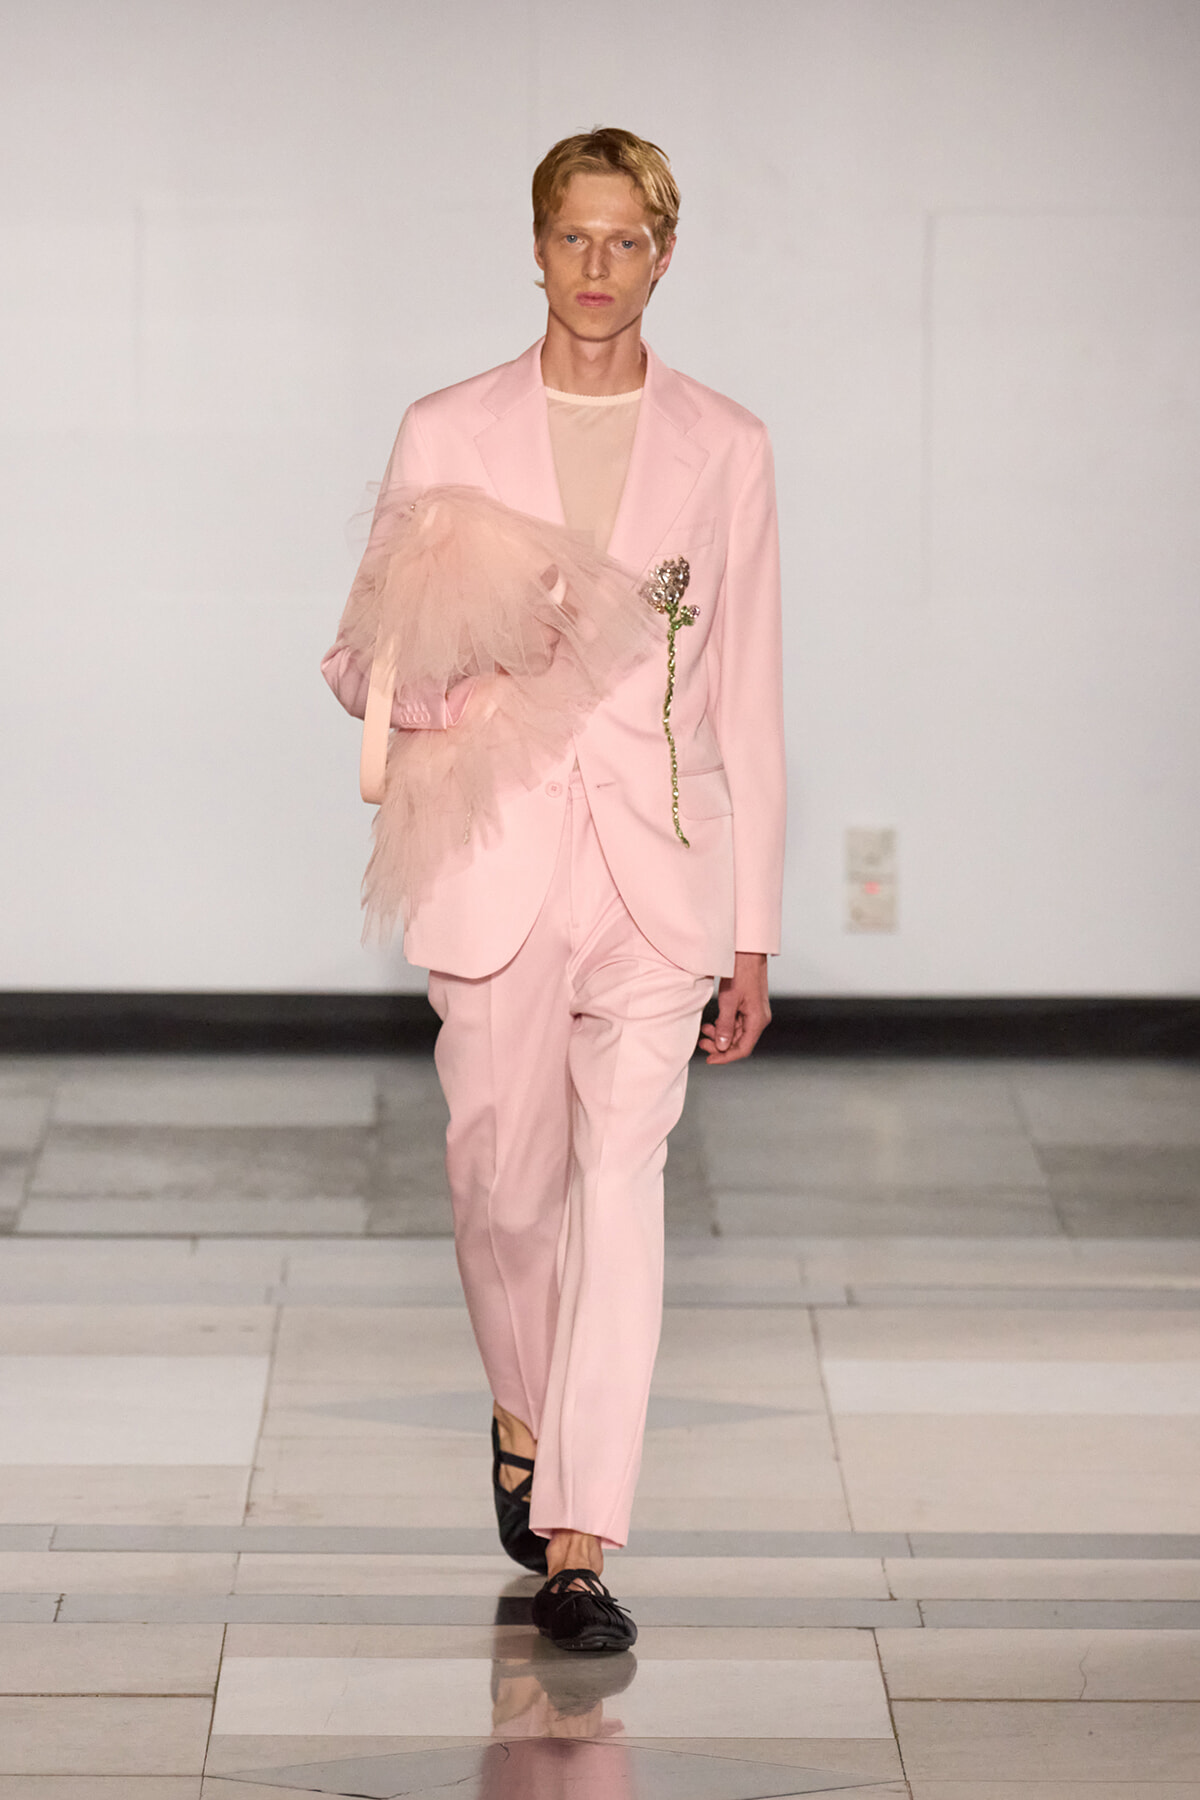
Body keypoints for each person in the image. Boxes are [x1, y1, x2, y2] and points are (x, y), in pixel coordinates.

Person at [322, 127, 785, 1653]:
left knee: (620, 1188)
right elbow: (357, 665)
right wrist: (478, 683)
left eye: (626, 240)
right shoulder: (447, 427)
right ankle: (521, 1407)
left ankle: (581, 1535)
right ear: (535, 250)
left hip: (662, 866)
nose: (598, 267)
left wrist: (753, 930)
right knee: (500, 1180)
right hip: (493, 857)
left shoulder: (727, 445)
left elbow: (750, 696)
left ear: (666, 254)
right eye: (572, 239)